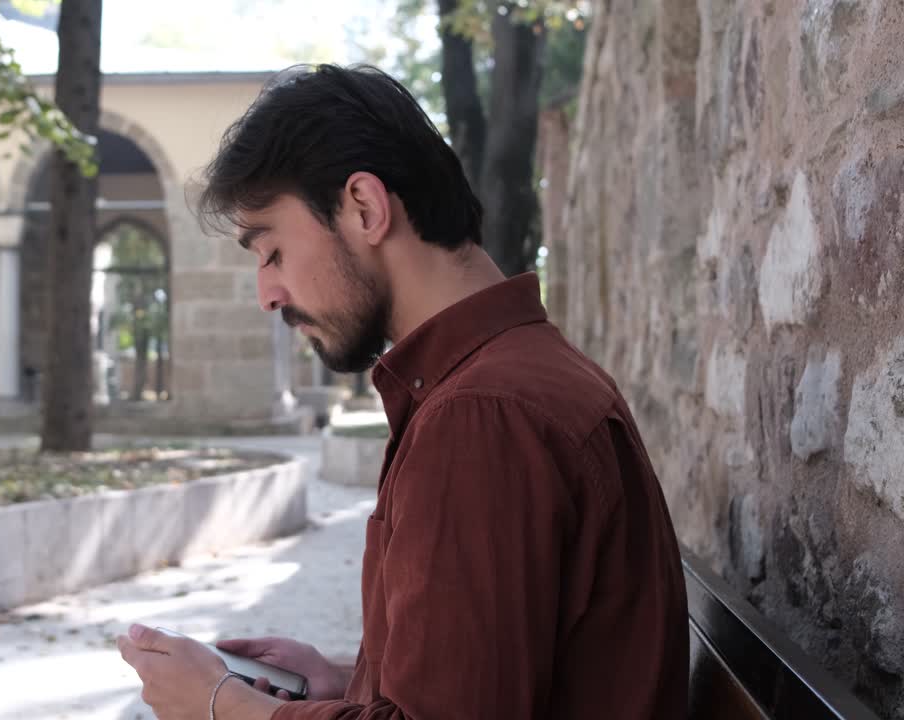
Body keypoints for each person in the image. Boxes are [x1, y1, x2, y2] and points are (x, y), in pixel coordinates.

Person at [117, 64, 687, 719]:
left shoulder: (484, 416)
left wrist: (222, 705)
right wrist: (351, 681)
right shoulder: (512, 377)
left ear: (364, 207)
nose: (267, 294)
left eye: (271, 251)